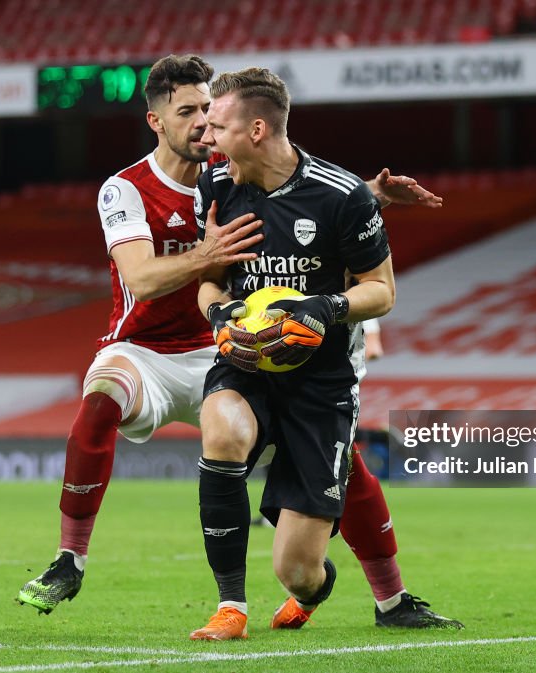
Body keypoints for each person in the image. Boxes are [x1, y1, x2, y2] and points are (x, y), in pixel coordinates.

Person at [17, 55, 458, 631]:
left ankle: (388, 598)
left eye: (209, 110)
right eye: (189, 113)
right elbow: (146, 278)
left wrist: (366, 195)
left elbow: (306, 197)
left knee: (337, 467)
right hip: (151, 350)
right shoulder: (131, 189)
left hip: (233, 345)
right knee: (102, 398)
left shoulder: (231, 175)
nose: (203, 124)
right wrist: (213, 262)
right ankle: (74, 561)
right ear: (157, 122)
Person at [189, 67, 462, 641]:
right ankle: (230, 607)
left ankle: (316, 584)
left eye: (216, 125)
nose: (205, 138)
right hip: (246, 361)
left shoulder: (343, 197)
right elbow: (208, 280)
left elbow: (382, 291)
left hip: (323, 382)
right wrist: (217, 313)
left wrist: (322, 308)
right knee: (222, 430)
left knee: (296, 570)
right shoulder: (215, 187)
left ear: (257, 129)